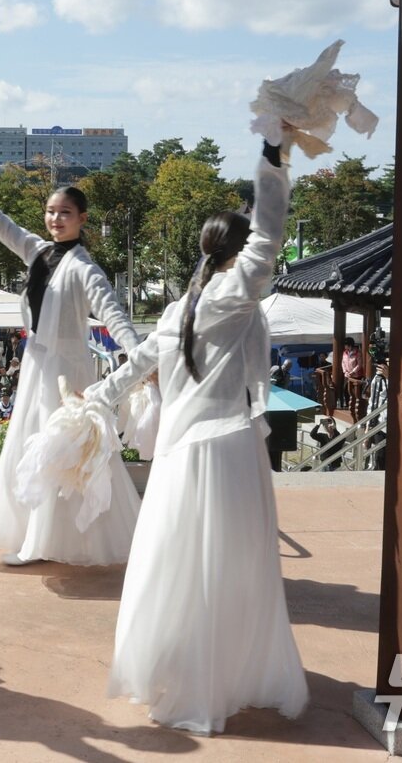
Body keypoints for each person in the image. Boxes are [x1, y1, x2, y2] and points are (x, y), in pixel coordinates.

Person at [82, 134, 307, 735]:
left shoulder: (183, 305)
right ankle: (219, 676)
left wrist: (95, 398)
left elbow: (136, 366)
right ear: (237, 253)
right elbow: (271, 234)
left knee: (177, 566)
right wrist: (273, 159)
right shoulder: (232, 297)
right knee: (229, 567)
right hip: (226, 448)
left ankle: (179, 667)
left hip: (181, 457)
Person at [0, 177, 141, 567]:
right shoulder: (38, 251)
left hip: (67, 375)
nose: (56, 218)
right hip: (36, 367)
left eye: (65, 212)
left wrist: (137, 355)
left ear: (82, 219)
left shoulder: (85, 269)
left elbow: (113, 312)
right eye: (50, 211)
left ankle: (46, 542)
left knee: (64, 453)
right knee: (29, 449)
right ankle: (35, 538)